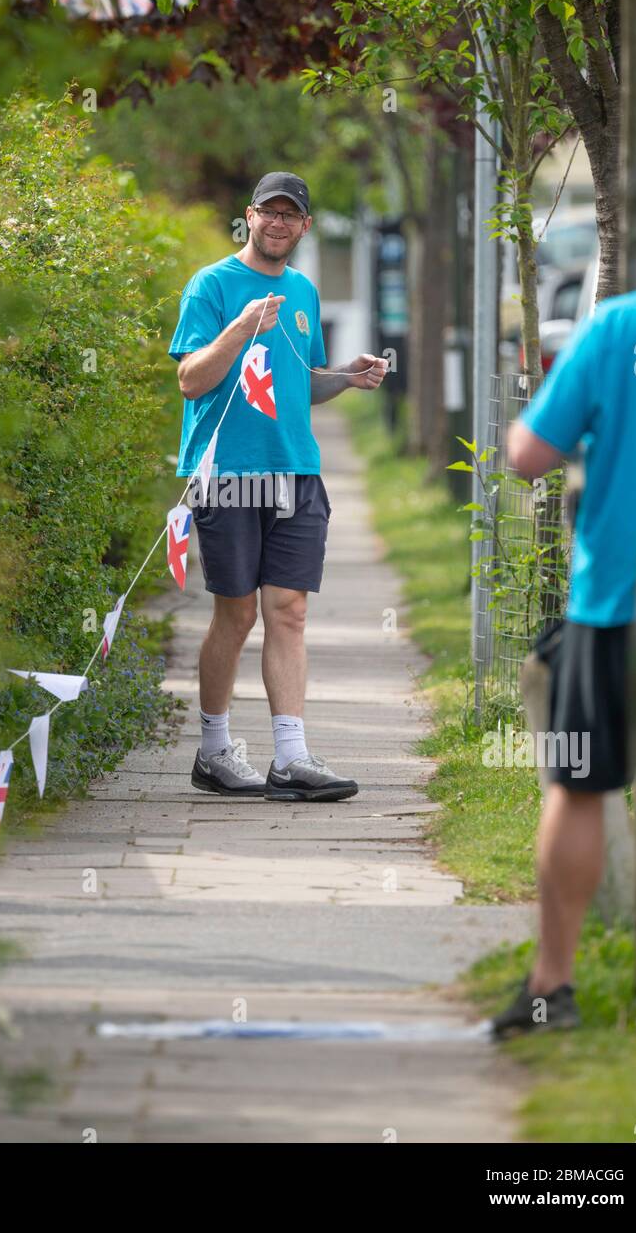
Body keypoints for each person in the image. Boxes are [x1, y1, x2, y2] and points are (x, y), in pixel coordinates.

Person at [493, 183, 636, 1037]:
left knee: (580, 785)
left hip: (615, 601)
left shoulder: (618, 326)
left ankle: (551, 986)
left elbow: (528, 454)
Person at [168, 171, 387, 802]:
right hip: (228, 474)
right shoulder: (211, 286)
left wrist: (345, 377)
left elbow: (301, 380)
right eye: (270, 212)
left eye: (291, 215)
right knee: (234, 614)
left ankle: (290, 758)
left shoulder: (303, 292)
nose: (278, 223)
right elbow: (190, 380)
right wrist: (239, 327)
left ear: (305, 227)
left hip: (297, 469)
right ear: (250, 216)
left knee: (288, 611)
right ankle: (213, 752)